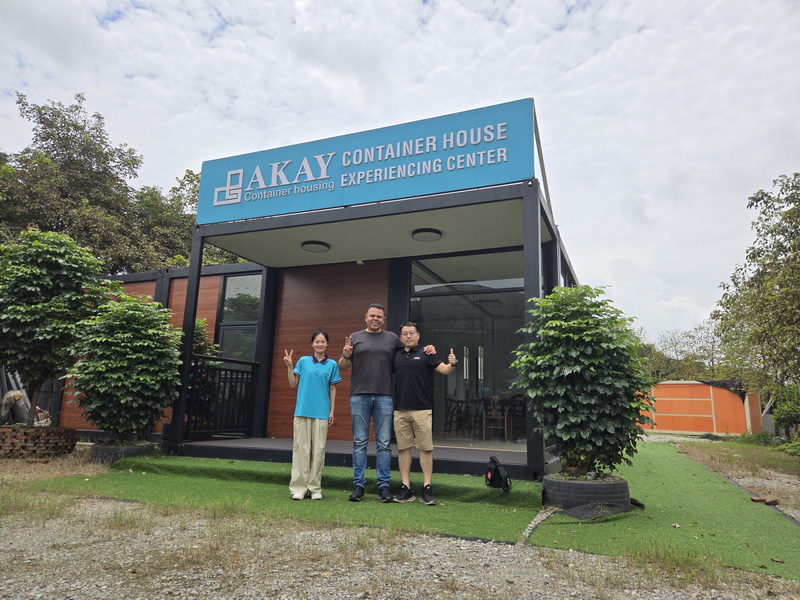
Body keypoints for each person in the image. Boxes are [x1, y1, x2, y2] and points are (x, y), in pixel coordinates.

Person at [338, 303, 435, 503]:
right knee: (359, 442)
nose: (375, 319)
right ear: (366, 317)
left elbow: (410, 348)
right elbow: (343, 366)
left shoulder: (392, 338)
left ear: (383, 319)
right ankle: (358, 485)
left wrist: (429, 348)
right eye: (372, 315)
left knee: (383, 444)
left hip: (385, 396)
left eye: (379, 316)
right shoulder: (355, 337)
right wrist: (346, 355)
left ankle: (384, 486)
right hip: (359, 395)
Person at [391, 322, 456, 506]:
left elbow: (445, 370)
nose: (408, 336)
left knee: (425, 449)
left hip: (422, 409)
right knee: (403, 449)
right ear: (401, 337)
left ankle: (427, 487)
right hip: (400, 409)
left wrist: (453, 363)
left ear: (418, 335)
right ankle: (406, 487)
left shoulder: (427, 353)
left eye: (411, 333)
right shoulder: (395, 355)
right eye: (405, 333)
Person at [284, 329, 341, 501]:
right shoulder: (303, 361)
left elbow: (332, 388)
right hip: (302, 411)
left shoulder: (332, 364)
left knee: (318, 450)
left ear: (327, 344)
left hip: (321, 413)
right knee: (301, 450)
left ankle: (315, 488)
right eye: (317, 341)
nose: (320, 344)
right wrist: (289, 366)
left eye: (323, 341)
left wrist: (332, 410)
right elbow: (293, 383)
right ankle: (299, 488)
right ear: (312, 344)